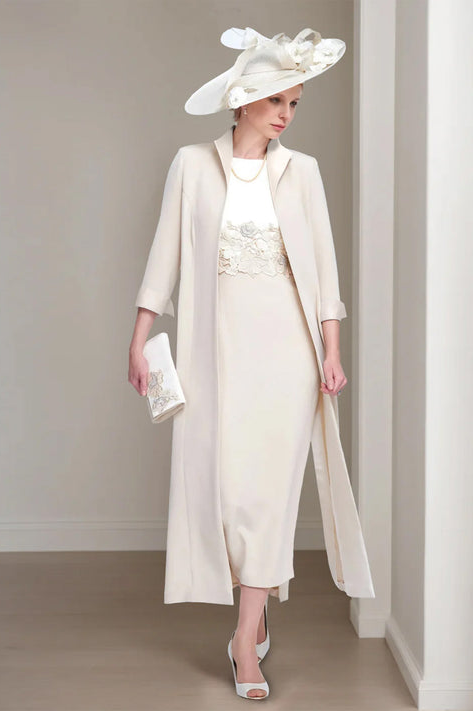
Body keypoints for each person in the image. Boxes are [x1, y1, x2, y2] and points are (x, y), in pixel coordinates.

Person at [129, 27, 375, 700]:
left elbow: (323, 270)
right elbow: (164, 255)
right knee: (227, 487)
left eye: (293, 103)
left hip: (288, 354)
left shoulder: (303, 172)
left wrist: (331, 349)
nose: (284, 114)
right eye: (274, 100)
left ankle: (244, 640)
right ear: (241, 99)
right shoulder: (191, 165)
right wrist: (140, 334)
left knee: (269, 494)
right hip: (215, 352)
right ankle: (255, 605)